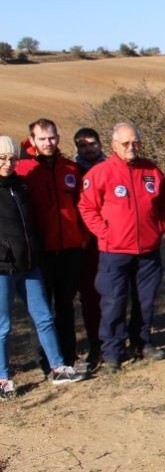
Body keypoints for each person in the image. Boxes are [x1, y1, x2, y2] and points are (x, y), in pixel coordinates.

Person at [79, 123, 165, 373]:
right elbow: (87, 208)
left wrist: (158, 228)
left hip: (148, 251)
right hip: (115, 252)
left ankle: (142, 343)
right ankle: (112, 353)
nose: (132, 147)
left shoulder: (151, 170)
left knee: (146, 301)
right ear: (114, 145)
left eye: (136, 143)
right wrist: (106, 233)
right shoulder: (100, 173)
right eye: (126, 143)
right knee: (114, 302)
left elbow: (164, 205)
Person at [0, 136, 86, 397]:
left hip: (29, 265)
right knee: (3, 326)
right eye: (2, 158)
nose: (8, 163)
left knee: (44, 317)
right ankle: (3, 379)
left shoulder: (21, 186)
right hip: (2, 268)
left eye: (13, 158)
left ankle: (59, 367)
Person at [16, 119, 85, 370]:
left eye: (52, 137)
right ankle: (45, 360)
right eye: (43, 139)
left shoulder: (71, 168)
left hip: (70, 248)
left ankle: (68, 355)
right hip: (40, 252)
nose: (48, 143)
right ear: (32, 140)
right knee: (42, 309)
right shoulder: (24, 170)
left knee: (66, 305)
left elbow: (83, 205)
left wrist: (82, 237)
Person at [73, 127, 105, 366]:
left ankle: (116, 340)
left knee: (114, 293)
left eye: (92, 143)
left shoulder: (110, 168)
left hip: (112, 239)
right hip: (84, 244)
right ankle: (95, 344)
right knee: (90, 295)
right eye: (83, 145)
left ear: (100, 144)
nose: (88, 149)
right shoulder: (72, 172)